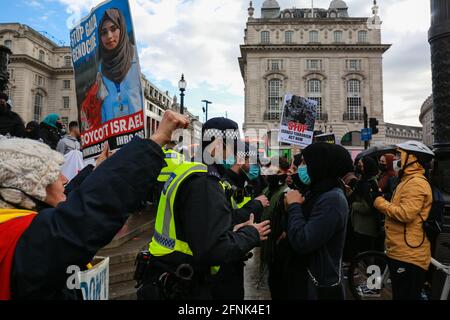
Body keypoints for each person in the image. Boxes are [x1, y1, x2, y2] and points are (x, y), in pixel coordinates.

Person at [0, 110, 189, 300]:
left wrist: (96, 169)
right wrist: (155, 141)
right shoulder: (18, 237)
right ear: (31, 187)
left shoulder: (20, 224)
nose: (65, 179)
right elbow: (85, 212)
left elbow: (71, 198)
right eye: (55, 174)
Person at [137, 117, 271, 300]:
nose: (234, 156)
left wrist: (231, 230)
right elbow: (213, 249)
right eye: (232, 148)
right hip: (181, 282)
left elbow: (196, 228)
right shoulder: (204, 182)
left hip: (167, 270)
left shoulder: (190, 170)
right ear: (216, 145)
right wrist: (250, 234)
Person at [285, 143, 353, 300]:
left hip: (318, 286)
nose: (301, 167)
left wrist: (294, 206)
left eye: (305, 162)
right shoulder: (318, 192)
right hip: (305, 279)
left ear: (320, 164)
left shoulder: (332, 199)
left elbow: (303, 241)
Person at [372, 141, 434, 300]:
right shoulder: (407, 180)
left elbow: (406, 214)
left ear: (412, 158)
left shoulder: (416, 183)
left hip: (409, 255)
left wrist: (380, 202)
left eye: (400, 155)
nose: (397, 159)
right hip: (401, 250)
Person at [211, 141, 269, 300]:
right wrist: (255, 205)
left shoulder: (239, 182)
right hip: (223, 263)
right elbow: (226, 219)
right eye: (251, 160)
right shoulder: (224, 183)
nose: (252, 165)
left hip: (232, 255)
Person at [98, 8, 143, 125]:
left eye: (113, 29)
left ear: (121, 29)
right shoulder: (100, 69)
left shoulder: (135, 58)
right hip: (111, 135)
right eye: (103, 32)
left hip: (135, 133)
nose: (109, 36)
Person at [350, 157, 382, 254]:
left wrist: (353, 204)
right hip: (360, 225)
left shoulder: (368, 184)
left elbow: (367, 207)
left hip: (365, 228)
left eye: (360, 165)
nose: (358, 167)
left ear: (366, 167)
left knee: (364, 254)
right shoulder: (364, 181)